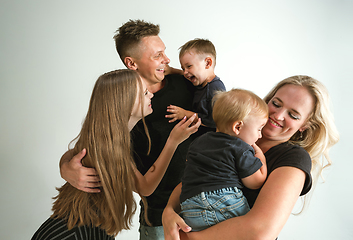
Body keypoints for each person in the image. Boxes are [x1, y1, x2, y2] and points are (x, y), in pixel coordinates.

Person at [59, 20, 198, 240]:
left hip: (207, 206)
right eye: (157, 55)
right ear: (131, 63)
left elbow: (223, 116)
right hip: (158, 218)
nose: (167, 59)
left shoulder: (189, 83)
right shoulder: (117, 101)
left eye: (164, 52)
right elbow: (93, 142)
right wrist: (66, 166)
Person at [162, 75, 339, 240]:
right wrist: (168, 211)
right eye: (276, 104)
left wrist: (190, 238)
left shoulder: (294, 159)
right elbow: (194, 180)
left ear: (304, 125)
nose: (278, 116)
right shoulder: (232, 135)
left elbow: (260, 231)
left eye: (293, 115)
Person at [32, 69, 200, 239]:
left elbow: (73, 153)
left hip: (91, 226)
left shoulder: (112, 139)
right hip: (73, 231)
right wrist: (172, 142)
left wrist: (65, 164)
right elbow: (145, 187)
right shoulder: (107, 146)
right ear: (124, 103)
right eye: (144, 92)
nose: (151, 95)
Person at [179, 89, 268, 232]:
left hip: (189, 207)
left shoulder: (198, 142)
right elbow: (256, 182)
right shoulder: (241, 148)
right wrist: (260, 157)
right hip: (224, 202)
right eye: (259, 129)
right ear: (237, 127)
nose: (260, 135)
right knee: (247, 231)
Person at [166, 39, 226, 136]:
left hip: (209, 139)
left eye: (189, 66)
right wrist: (171, 70)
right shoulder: (201, 81)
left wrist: (185, 114)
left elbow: (213, 120)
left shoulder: (215, 88)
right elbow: (185, 74)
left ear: (207, 63)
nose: (185, 72)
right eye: (183, 68)